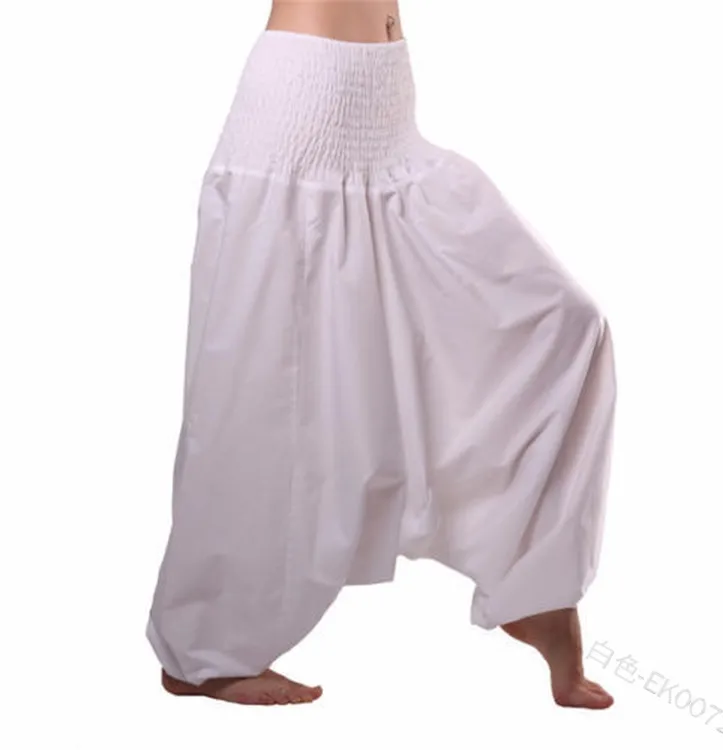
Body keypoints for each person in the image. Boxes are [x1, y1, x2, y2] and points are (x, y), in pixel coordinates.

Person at [146, 0, 617, 709]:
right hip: (302, 122)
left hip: (386, 115)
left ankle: (532, 586)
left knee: (566, 326)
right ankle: (202, 651)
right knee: (265, 404)